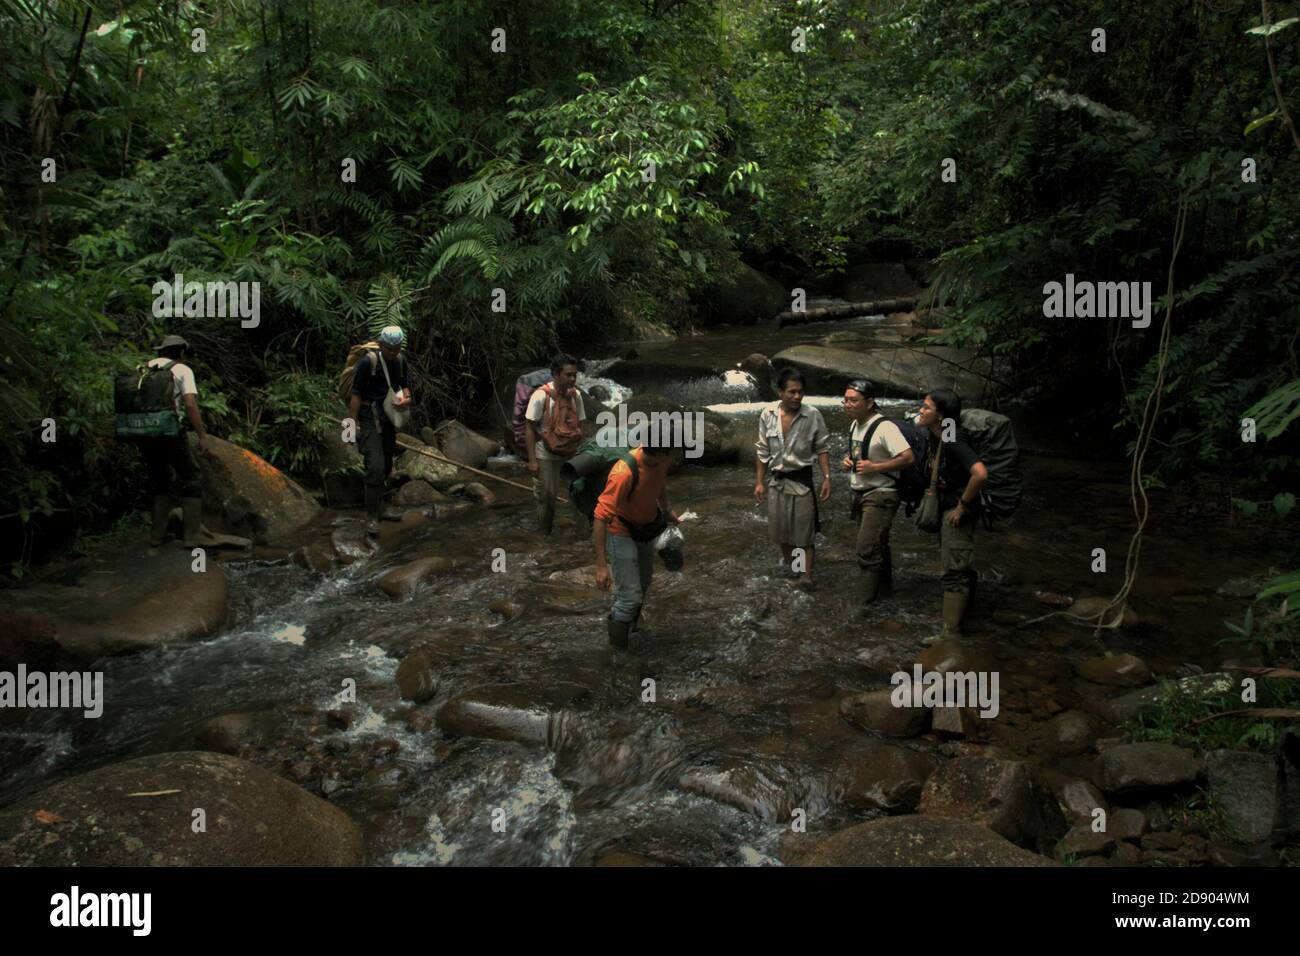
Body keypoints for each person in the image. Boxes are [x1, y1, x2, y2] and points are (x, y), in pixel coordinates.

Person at [592, 437, 681, 649]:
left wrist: (668, 510)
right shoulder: (623, 472)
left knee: (643, 584)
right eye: (675, 452)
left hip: (645, 529)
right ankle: (618, 653)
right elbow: (600, 516)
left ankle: (631, 629)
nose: (679, 457)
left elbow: (659, 486)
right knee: (629, 598)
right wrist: (601, 565)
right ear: (660, 453)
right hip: (619, 532)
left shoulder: (659, 463)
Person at [916, 388, 988, 642]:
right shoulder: (935, 435)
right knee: (958, 564)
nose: (921, 410)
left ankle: (950, 634)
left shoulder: (954, 438)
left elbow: (980, 473)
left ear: (941, 414)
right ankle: (968, 615)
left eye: (926, 407)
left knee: (954, 570)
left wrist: (962, 506)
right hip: (948, 505)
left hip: (957, 511)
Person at [754, 368, 831, 589]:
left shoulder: (813, 414)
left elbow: (822, 447)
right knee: (782, 533)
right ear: (780, 392)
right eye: (792, 392)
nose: (797, 396)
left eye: (800, 392)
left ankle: (806, 577)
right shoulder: (767, 414)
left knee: (804, 534)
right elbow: (762, 450)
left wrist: (827, 477)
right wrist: (759, 482)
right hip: (777, 481)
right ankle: (795, 570)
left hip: (802, 482)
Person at [842, 379, 915, 608]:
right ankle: (885, 592)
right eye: (845, 400)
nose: (848, 404)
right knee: (878, 544)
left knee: (865, 549)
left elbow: (908, 457)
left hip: (882, 494)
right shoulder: (854, 425)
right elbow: (859, 453)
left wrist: (876, 468)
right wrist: (848, 461)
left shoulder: (885, 427)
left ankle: (863, 605)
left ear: (870, 402)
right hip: (861, 493)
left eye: (854, 400)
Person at [142, 334, 211, 547]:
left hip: (144, 432)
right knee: (191, 476)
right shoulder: (182, 370)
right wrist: (202, 435)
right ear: (181, 352)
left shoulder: (145, 368)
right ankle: (192, 535)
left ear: (160, 351)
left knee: (160, 480)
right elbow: (190, 404)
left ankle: (156, 535)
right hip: (170, 432)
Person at [348, 325, 411, 536]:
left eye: (397, 348)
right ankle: (372, 516)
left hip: (389, 418)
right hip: (368, 417)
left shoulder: (401, 361)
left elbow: (405, 385)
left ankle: (382, 506)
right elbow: (356, 394)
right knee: (374, 466)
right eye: (390, 349)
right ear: (381, 345)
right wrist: (351, 424)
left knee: (386, 464)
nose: (394, 352)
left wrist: (406, 399)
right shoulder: (368, 362)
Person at [525, 354, 585, 535]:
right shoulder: (540, 396)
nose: (573, 379)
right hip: (546, 454)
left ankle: (582, 539)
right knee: (547, 499)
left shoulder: (577, 396)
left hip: (570, 453)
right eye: (568, 375)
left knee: (579, 496)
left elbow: (579, 425)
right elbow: (529, 428)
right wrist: (532, 461)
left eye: (574, 374)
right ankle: (544, 538)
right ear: (556, 375)